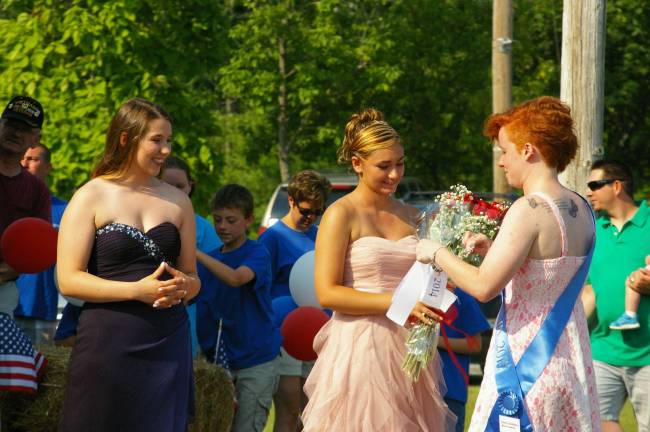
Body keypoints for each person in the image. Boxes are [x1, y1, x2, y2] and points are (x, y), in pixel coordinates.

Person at [416, 96, 600, 431]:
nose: (502, 161)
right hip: (572, 360)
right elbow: (548, 270)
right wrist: (493, 250)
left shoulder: (528, 209)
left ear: (528, 150)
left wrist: (437, 253)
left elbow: (484, 287)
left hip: (527, 360)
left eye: (505, 150)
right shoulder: (581, 206)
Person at [301, 108, 456, 431]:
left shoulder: (414, 215)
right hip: (361, 346)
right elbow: (327, 292)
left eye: (400, 164)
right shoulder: (340, 214)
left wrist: (443, 286)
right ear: (357, 164)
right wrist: (396, 302)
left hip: (409, 346)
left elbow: (431, 278)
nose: (395, 174)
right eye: (384, 166)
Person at [56, 98, 199, 431]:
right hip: (108, 343)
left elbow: (193, 276)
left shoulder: (179, 201)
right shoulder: (91, 195)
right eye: (156, 140)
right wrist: (137, 291)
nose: (165, 150)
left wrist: (184, 285)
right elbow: (68, 280)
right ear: (126, 138)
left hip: (168, 342)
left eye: (168, 141)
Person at [195, 184, 281, 432]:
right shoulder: (210, 258)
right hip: (218, 363)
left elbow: (236, 278)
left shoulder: (257, 252)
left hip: (255, 361)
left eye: (231, 220)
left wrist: (196, 253)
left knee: (245, 427)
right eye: (218, 219)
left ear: (248, 220)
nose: (222, 226)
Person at [257, 169, 330, 432]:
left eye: (317, 212)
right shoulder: (272, 238)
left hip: (317, 334)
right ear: (291, 200)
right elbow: (260, 290)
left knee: (312, 415)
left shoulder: (321, 236)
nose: (310, 218)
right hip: (285, 334)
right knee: (289, 412)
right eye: (306, 210)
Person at [581, 160, 650, 432]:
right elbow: (588, 291)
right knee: (594, 424)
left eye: (594, 185)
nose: (589, 192)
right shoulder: (593, 233)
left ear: (617, 186)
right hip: (601, 351)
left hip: (647, 355)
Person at [0, 95, 49, 394]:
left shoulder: (36, 190)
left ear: (35, 138)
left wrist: (4, 272)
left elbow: (38, 250)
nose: (16, 132)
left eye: (25, 128)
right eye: (11, 123)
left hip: (3, 293)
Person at [161, 155, 222, 358]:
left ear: (190, 186)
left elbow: (215, 277)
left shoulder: (203, 229)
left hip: (191, 316)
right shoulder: (143, 219)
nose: (175, 192)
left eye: (180, 186)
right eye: (167, 185)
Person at [14, 143, 67, 344]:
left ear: (48, 167)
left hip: (39, 307)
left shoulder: (64, 210)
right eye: (23, 158)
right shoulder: (8, 202)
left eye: (33, 159)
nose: (25, 163)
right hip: (5, 303)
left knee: (37, 371)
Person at [438, 286, 491, 432]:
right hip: (416, 390)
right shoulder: (415, 290)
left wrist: (436, 342)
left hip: (451, 390)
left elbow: (475, 344)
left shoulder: (461, 297)